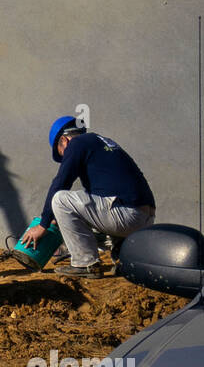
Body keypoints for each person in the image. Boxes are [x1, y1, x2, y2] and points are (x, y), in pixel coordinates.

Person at [21, 116, 156, 277]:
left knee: (60, 199)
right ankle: (124, 257)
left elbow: (60, 184)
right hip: (143, 217)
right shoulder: (101, 143)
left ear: (64, 140)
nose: (65, 158)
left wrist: (43, 225)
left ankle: (85, 264)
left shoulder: (77, 143)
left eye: (62, 153)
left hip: (125, 215)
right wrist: (59, 218)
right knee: (86, 207)